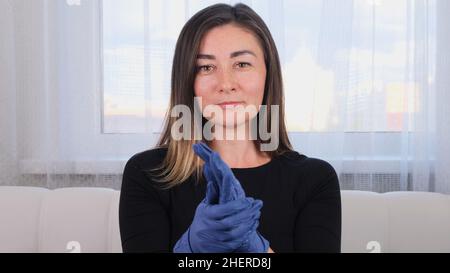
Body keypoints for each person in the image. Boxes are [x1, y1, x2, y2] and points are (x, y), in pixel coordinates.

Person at [119, 3, 341, 253]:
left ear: (268, 74)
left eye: (242, 64)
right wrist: (191, 248)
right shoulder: (148, 173)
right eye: (206, 67)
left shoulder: (314, 180)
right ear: (188, 82)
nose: (226, 84)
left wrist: (254, 248)